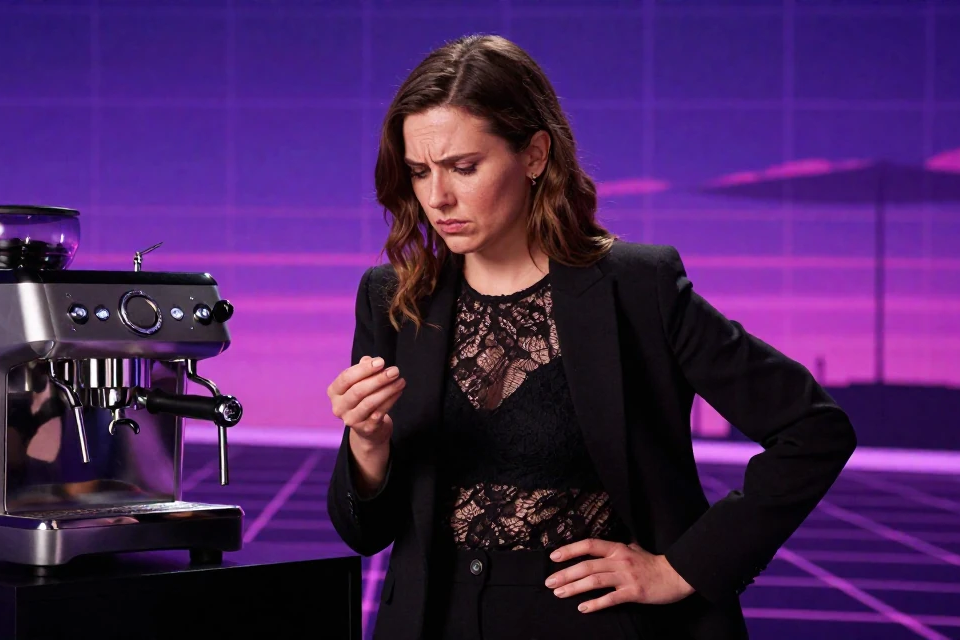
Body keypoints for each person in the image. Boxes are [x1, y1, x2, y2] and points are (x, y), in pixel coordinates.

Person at [325, 34, 856, 640]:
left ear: (535, 155)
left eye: (464, 168)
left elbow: (814, 429)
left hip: (602, 626)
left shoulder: (638, 288)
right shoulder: (392, 297)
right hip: (432, 622)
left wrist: (684, 568)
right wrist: (367, 445)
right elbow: (363, 533)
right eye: (420, 172)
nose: (437, 197)